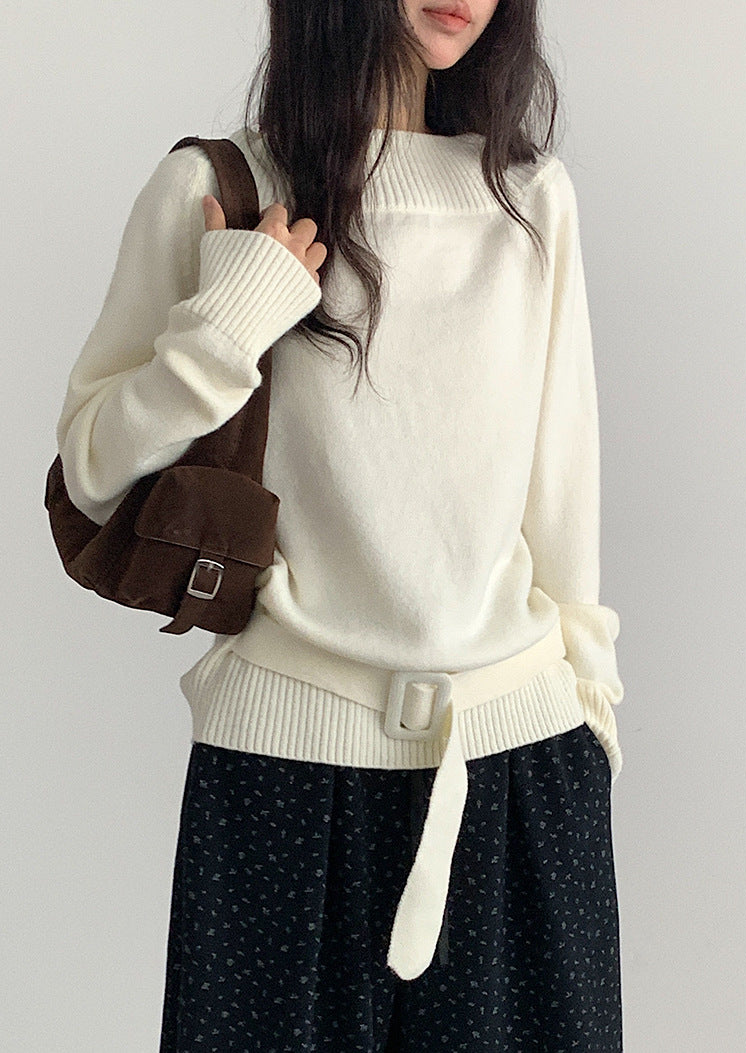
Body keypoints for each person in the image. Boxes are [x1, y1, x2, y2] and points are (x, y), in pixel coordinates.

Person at [54, 1, 626, 1049]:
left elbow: (564, 489)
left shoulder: (530, 196)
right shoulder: (219, 189)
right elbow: (91, 473)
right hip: (282, 785)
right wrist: (227, 325)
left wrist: (591, 719)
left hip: (516, 772)